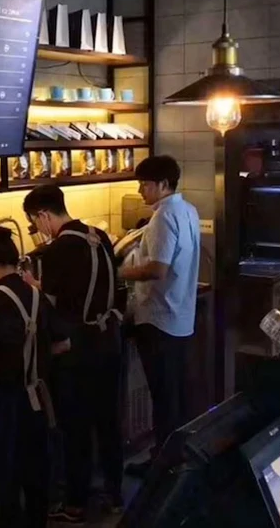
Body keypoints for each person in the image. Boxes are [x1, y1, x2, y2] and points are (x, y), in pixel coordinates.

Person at [22, 184, 124, 524]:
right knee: (108, 421)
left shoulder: (58, 250)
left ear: (43, 215)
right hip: (109, 340)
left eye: (35, 223)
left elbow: (51, 306)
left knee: (76, 427)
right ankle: (114, 493)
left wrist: (32, 288)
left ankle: (76, 504)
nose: (38, 230)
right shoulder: (98, 236)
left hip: (78, 350)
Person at [0, 227, 69, 528]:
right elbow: (63, 343)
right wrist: (34, 357)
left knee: (5, 477)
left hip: (6, 402)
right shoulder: (35, 294)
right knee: (36, 475)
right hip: (39, 400)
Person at [120, 155, 200, 475]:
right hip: (180, 316)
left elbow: (157, 269)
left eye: (145, 184)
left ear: (164, 184)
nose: (141, 190)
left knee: (164, 397)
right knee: (174, 394)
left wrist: (121, 272)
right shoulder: (188, 210)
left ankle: (163, 465)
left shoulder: (164, 217)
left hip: (159, 318)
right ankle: (174, 457)